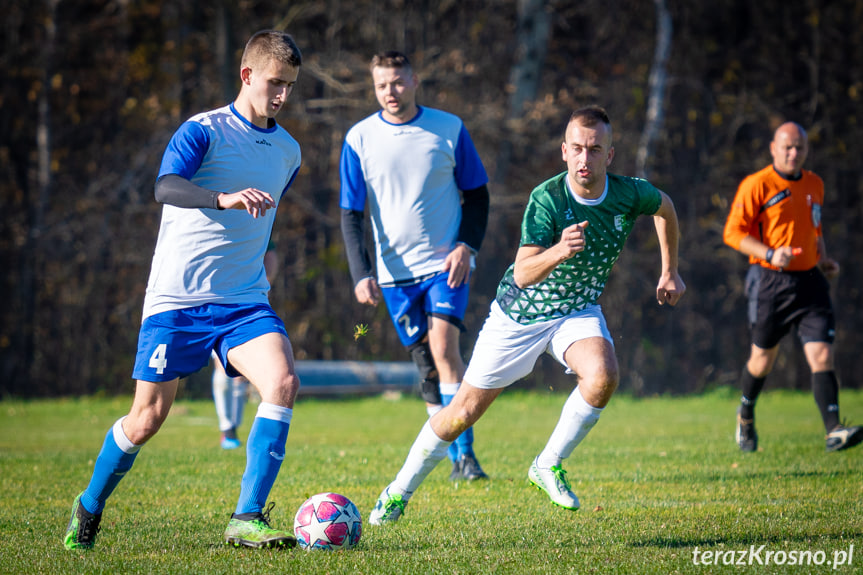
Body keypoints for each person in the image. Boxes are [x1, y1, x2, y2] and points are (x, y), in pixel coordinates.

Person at [368, 105, 685, 525]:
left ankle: (547, 463)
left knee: (604, 375)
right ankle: (397, 492)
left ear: (610, 155)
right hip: (520, 316)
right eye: (577, 149)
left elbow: (665, 207)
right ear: (564, 151)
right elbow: (522, 272)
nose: (584, 159)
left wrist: (669, 271)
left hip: (576, 310)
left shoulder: (628, 192)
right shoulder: (547, 198)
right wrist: (559, 249)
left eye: (594, 149)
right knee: (461, 413)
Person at [64, 30, 305, 551]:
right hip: (177, 301)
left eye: (290, 86)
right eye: (275, 84)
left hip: (243, 300)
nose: (283, 96)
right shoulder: (204, 130)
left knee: (282, 381)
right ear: (247, 76)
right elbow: (165, 187)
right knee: (147, 418)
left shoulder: (289, 150)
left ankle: (247, 517)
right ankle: (89, 504)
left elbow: (262, 221)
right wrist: (223, 198)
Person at [339, 51, 491, 481]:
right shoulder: (359, 138)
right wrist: (360, 273)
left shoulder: (448, 128)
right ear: (374, 87)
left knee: (445, 349)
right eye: (383, 84)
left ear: (415, 81)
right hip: (393, 276)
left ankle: (467, 457)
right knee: (427, 366)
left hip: (446, 265)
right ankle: (449, 456)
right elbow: (351, 214)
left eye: (399, 82)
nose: (391, 91)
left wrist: (467, 246)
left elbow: (477, 195)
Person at [723, 122, 862, 453]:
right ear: (773, 148)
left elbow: (815, 228)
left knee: (822, 353)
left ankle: (833, 431)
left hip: (810, 280)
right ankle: (745, 413)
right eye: (787, 147)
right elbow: (733, 233)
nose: (793, 153)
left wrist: (824, 259)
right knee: (762, 360)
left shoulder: (815, 183)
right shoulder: (757, 184)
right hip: (770, 282)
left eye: (799, 147)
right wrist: (771, 253)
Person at [212, 241, 278, 450]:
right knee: (222, 367)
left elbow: (271, 253)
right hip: (213, 299)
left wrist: (266, 281)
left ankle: (233, 429)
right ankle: (227, 428)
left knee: (239, 372)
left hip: (248, 302)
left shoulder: (255, 217)